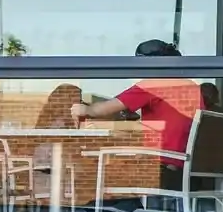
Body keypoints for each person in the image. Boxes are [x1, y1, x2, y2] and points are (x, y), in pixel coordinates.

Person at [71, 38, 204, 190]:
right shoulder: (193, 87)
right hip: (184, 168)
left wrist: (83, 109)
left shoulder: (154, 83)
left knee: (89, 173)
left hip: (159, 167)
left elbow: (100, 110)